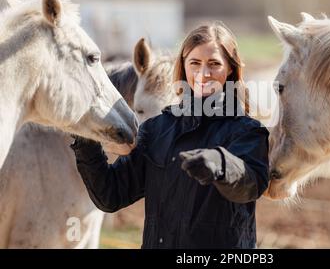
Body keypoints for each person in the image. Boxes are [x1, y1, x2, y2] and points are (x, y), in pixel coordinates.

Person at [70, 21, 269, 249]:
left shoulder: (247, 131)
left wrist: (220, 163)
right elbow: (110, 195)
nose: (203, 74)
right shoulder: (156, 130)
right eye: (195, 63)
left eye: (214, 64)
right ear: (183, 67)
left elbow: (250, 185)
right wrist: (85, 141)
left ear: (230, 68)